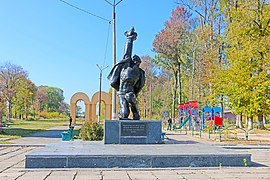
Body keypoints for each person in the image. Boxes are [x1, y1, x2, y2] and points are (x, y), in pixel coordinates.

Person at [107, 27, 145, 120]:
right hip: (121, 92)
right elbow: (127, 52)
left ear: (139, 62)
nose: (135, 60)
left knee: (131, 98)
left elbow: (140, 85)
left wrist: (135, 94)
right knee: (125, 114)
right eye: (134, 59)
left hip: (130, 92)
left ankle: (136, 113)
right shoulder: (127, 66)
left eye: (137, 60)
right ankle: (123, 114)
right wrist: (129, 39)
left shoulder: (140, 72)